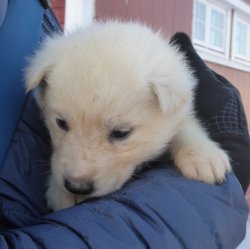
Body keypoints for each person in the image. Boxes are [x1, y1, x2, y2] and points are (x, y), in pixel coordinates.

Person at [0, 1, 249, 248]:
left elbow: (178, 123)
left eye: (119, 133)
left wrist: (191, 144)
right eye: (62, 124)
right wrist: (218, 195)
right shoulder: (57, 65)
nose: (77, 173)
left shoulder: (164, 91)